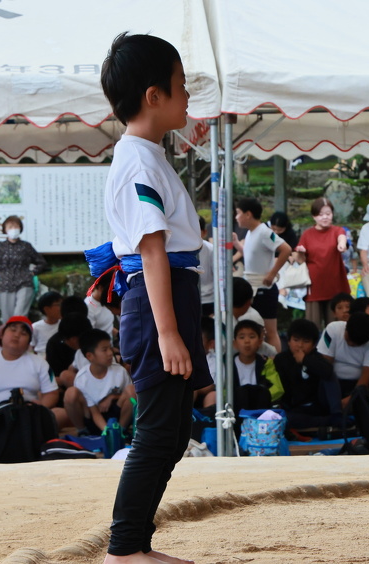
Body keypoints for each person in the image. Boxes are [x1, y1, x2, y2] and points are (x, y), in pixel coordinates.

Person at [99, 32, 213, 563]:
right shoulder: (138, 162)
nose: (187, 96)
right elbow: (151, 252)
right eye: (181, 85)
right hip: (155, 303)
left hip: (169, 297)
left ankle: (135, 544)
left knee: (173, 431)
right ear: (153, 96)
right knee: (158, 431)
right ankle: (125, 549)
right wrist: (168, 333)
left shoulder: (147, 156)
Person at [232, 198, 291, 352]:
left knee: (270, 331)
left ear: (248, 214)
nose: (236, 217)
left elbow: (286, 249)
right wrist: (237, 244)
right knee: (254, 329)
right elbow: (251, 255)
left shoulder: (264, 232)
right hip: (251, 286)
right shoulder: (251, 233)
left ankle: (276, 362)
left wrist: (272, 273)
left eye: (238, 213)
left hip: (264, 288)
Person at [274, 319, 342, 429]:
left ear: (314, 344)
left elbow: (328, 373)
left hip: (318, 405)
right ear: (289, 341)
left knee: (329, 374)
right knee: (286, 419)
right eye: (296, 340)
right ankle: (326, 422)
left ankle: (336, 415)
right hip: (294, 408)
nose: (300, 345)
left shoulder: (316, 357)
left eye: (306, 341)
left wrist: (305, 360)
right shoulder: (281, 359)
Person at [66, 329, 136, 436]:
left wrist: (112, 397)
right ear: (90, 356)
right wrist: (106, 431)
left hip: (116, 415)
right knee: (70, 393)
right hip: (93, 417)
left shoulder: (120, 371)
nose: (110, 353)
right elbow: (94, 412)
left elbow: (131, 397)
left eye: (110, 348)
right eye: (104, 350)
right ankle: (83, 431)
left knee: (132, 389)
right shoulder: (82, 378)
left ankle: (120, 431)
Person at [294, 197, 350, 328]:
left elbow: (342, 238)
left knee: (337, 327)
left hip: (335, 285)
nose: (325, 217)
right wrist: (301, 252)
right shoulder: (307, 235)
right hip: (314, 286)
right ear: (314, 216)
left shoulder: (337, 231)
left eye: (328, 214)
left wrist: (342, 244)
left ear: (332, 214)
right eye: (320, 214)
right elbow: (300, 260)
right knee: (312, 325)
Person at [317, 311, 369, 404]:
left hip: (356, 385)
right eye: (348, 339)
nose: (351, 344)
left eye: (356, 344)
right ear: (346, 328)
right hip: (331, 381)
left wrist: (347, 402)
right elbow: (325, 367)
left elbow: (366, 376)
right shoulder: (333, 329)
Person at [0, 215, 46, 321]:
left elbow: (41, 262)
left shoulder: (26, 246)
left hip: (24, 283)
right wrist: (2, 275)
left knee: (20, 317)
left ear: (20, 228)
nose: (13, 229)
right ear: (5, 229)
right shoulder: (0, 247)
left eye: (16, 226)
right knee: (7, 319)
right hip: (5, 285)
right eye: (10, 227)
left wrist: (32, 273)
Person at [231, 319, 284, 412]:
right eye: (242, 337)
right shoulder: (228, 365)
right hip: (235, 409)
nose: (247, 341)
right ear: (235, 343)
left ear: (260, 342)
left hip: (260, 410)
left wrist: (258, 396)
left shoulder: (266, 363)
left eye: (252, 337)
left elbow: (278, 389)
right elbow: (222, 390)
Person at [31, 291, 63, 357]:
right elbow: (31, 347)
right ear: (47, 309)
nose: (62, 308)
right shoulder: (35, 327)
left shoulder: (64, 325)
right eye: (59, 305)